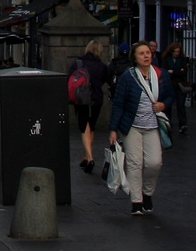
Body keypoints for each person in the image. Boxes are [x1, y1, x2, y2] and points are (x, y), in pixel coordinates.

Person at [109, 41, 175, 217]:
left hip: (153, 125)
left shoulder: (161, 75)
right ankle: (136, 201)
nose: (146, 56)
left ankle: (147, 193)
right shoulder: (128, 77)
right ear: (135, 58)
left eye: (148, 53)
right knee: (135, 163)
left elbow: (170, 96)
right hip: (131, 127)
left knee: (154, 163)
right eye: (141, 54)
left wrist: (163, 104)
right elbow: (118, 104)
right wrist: (113, 129)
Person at [70, 39, 111, 173]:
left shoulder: (78, 63)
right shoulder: (102, 67)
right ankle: (85, 156)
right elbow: (107, 80)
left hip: (81, 98)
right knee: (91, 127)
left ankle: (90, 157)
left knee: (84, 127)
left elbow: (69, 79)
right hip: (96, 99)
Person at [161, 42, 190, 133]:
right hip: (170, 85)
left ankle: (183, 124)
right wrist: (178, 71)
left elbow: (184, 72)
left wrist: (173, 72)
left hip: (180, 85)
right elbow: (165, 71)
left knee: (180, 105)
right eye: (175, 52)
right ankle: (168, 123)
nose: (177, 53)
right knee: (168, 105)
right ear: (171, 51)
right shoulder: (166, 59)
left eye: (178, 51)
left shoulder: (182, 60)